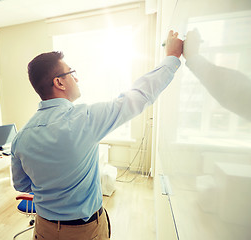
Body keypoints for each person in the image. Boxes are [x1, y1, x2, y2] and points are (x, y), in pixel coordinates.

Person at [11, 30, 183, 240]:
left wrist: (50, 185)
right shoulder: (84, 119)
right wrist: (172, 58)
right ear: (59, 82)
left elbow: (21, 185)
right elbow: (139, 96)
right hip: (83, 232)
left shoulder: (21, 137)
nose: (76, 77)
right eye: (71, 72)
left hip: (43, 229)